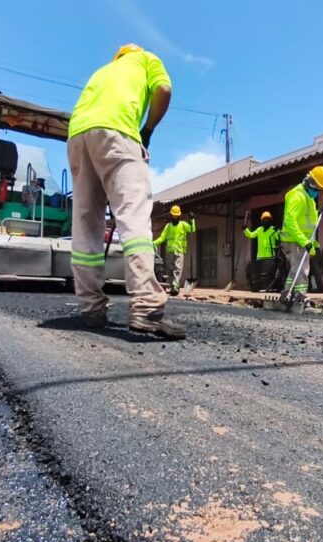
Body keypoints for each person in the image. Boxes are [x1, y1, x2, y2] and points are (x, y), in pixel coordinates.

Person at [67, 43, 184, 339]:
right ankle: (147, 308)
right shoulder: (145, 59)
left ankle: (91, 308)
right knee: (134, 216)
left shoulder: (102, 71)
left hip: (78, 135)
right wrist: (148, 130)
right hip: (117, 132)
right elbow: (164, 90)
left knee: (86, 223)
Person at [279, 166, 323, 308]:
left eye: (320, 189)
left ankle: (286, 294)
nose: (317, 191)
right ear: (310, 182)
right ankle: (300, 298)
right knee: (302, 269)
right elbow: (290, 221)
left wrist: (318, 213)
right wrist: (304, 242)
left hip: (301, 240)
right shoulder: (297, 196)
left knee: (295, 269)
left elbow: (307, 219)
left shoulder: (308, 197)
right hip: (294, 240)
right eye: (317, 188)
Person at [153, 205, 196, 296]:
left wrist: (192, 220)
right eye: (174, 215)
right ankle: (174, 285)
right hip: (172, 251)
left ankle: (174, 285)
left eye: (176, 216)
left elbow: (192, 229)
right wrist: (154, 243)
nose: (175, 217)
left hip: (178, 250)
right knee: (172, 269)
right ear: (172, 215)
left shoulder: (182, 225)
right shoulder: (169, 226)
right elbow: (162, 238)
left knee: (176, 269)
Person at [244, 211, 280, 292]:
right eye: (264, 219)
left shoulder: (273, 230)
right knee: (260, 274)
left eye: (268, 219)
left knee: (270, 274)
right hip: (260, 256)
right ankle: (261, 287)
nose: (266, 221)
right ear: (262, 221)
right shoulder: (259, 230)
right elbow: (251, 235)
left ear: (270, 220)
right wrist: (245, 229)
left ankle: (269, 287)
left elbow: (279, 238)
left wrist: (278, 231)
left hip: (270, 256)